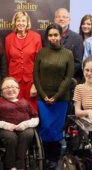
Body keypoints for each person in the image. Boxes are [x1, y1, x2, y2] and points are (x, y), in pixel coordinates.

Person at [33, 23, 74, 170]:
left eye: (55, 35)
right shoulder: (41, 52)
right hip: (43, 99)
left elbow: (68, 78)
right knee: (45, 128)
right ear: (47, 37)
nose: (53, 38)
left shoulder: (68, 54)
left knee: (56, 130)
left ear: (61, 35)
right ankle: (43, 158)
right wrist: (44, 96)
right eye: (50, 35)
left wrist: (56, 96)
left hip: (60, 99)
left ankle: (53, 160)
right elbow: (36, 76)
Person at [0, 77, 39, 170]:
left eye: (13, 87)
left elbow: (35, 118)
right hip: (4, 130)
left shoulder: (24, 102)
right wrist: (5, 125)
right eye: (6, 87)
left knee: (28, 134)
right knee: (11, 137)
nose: (10, 89)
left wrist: (25, 125)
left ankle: (19, 166)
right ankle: (11, 167)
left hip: (24, 129)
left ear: (18, 89)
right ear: (1, 91)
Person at [5, 11, 42, 111]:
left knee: (31, 109)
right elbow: (8, 59)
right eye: (18, 21)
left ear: (27, 23)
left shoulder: (36, 37)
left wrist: (35, 84)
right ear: (15, 22)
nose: (20, 23)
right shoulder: (8, 39)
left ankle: (31, 127)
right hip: (14, 81)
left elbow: (39, 63)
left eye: (23, 21)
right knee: (14, 109)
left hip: (30, 81)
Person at [54, 8, 83, 81]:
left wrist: (65, 75)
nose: (61, 19)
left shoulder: (77, 38)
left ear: (69, 20)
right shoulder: (45, 36)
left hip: (69, 80)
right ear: (54, 19)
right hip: (49, 80)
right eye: (58, 16)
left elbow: (78, 62)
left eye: (64, 17)